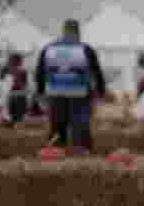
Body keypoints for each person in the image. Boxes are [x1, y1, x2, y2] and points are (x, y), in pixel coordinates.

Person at [35, 19, 107, 151]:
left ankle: (55, 153)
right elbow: (97, 72)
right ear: (78, 32)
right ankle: (83, 154)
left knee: (57, 126)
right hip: (79, 93)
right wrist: (101, 92)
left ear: (64, 31)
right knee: (80, 127)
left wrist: (40, 93)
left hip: (55, 93)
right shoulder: (85, 49)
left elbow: (39, 72)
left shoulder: (49, 48)